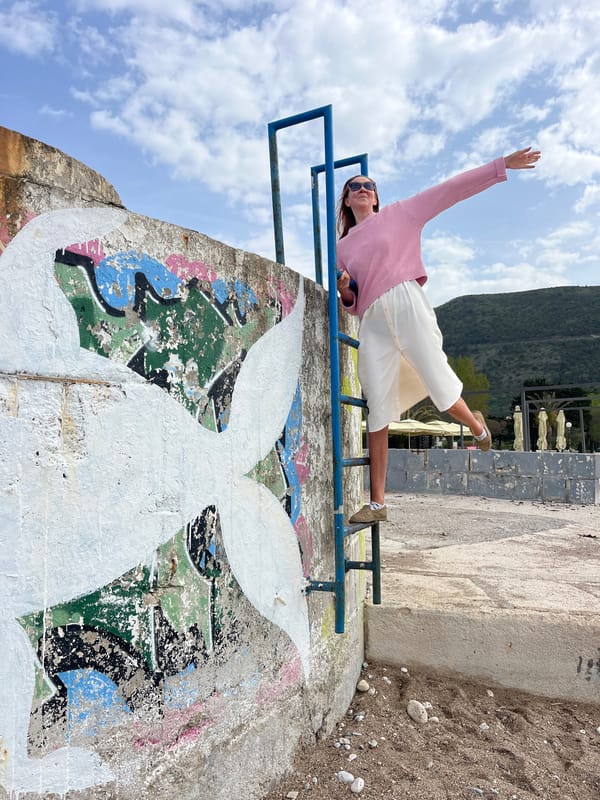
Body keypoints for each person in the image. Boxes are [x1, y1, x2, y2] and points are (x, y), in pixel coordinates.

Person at [336, 147, 541, 524]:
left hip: (407, 301)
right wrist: (346, 289)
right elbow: (352, 298)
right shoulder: (342, 248)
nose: (362, 188)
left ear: (376, 196)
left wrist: (501, 166)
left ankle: (477, 428)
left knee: (440, 385)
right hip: (372, 321)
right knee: (377, 407)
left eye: (368, 184)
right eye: (354, 186)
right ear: (347, 200)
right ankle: (378, 503)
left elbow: (451, 190)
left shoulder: (401, 214)